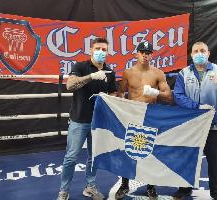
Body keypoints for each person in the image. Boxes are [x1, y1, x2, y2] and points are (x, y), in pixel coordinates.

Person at [172, 41, 217, 200]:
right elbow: (178, 95)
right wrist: (197, 107)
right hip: (191, 124)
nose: (199, 54)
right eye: (195, 51)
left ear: (208, 53)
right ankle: (184, 189)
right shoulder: (184, 73)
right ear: (191, 54)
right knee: (187, 159)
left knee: (215, 163)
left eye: (202, 50)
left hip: (214, 125)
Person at [57, 37, 117, 200]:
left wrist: (109, 98)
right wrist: (91, 76)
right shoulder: (81, 66)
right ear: (91, 50)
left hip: (98, 122)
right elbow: (70, 85)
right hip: (79, 120)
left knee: (93, 156)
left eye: (104, 50)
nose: (101, 52)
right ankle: (64, 190)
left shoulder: (110, 72)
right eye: (98, 48)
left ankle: (90, 186)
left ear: (108, 52)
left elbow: (113, 94)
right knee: (71, 156)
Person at [115, 41, 173, 200]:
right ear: (137, 54)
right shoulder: (128, 72)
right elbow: (120, 93)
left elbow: (168, 96)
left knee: (150, 151)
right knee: (127, 150)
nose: (145, 55)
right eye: (142, 52)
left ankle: (151, 186)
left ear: (151, 55)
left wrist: (154, 91)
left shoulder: (158, 73)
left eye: (148, 52)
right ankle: (124, 184)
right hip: (132, 115)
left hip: (150, 115)